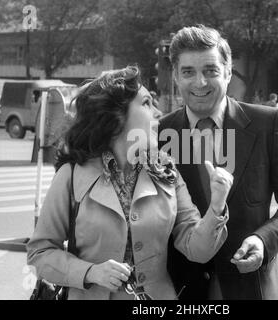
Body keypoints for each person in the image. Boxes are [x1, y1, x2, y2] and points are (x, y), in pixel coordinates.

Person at [26, 66, 234, 300]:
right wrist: (91, 272)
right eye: (146, 103)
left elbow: (198, 250)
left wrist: (217, 207)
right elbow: (40, 253)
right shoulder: (72, 174)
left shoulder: (166, 171)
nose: (158, 112)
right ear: (115, 117)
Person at [159, 25, 278, 300]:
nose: (200, 83)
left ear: (228, 72)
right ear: (175, 76)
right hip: (184, 289)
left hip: (252, 287)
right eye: (188, 72)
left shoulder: (267, 124)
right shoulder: (158, 134)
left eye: (211, 71)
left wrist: (263, 241)